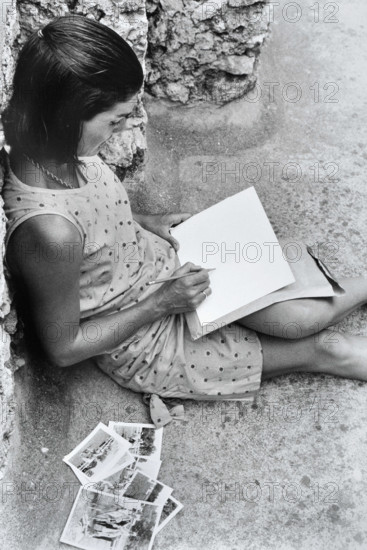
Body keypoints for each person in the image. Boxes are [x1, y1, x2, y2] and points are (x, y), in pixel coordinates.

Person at [2, 15, 367, 427]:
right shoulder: (50, 233)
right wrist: (163, 303)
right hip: (144, 336)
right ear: (70, 115)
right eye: (115, 120)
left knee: (302, 316)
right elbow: (64, 347)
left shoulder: (53, 143)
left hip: (165, 266)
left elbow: (95, 219)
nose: (126, 127)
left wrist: (144, 220)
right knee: (328, 345)